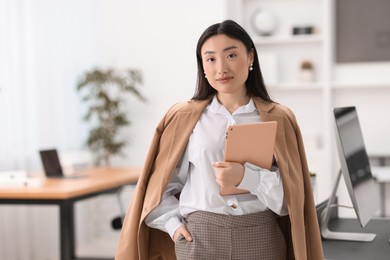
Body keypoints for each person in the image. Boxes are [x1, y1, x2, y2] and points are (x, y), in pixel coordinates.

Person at [115, 20, 324, 260]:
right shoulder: (183, 117)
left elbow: (291, 200)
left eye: (231, 55)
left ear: (251, 57)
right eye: (211, 59)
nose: (221, 68)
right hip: (199, 239)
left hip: (261, 238)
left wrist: (247, 178)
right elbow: (159, 187)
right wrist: (174, 226)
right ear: (202, 66)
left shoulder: (279, 118)